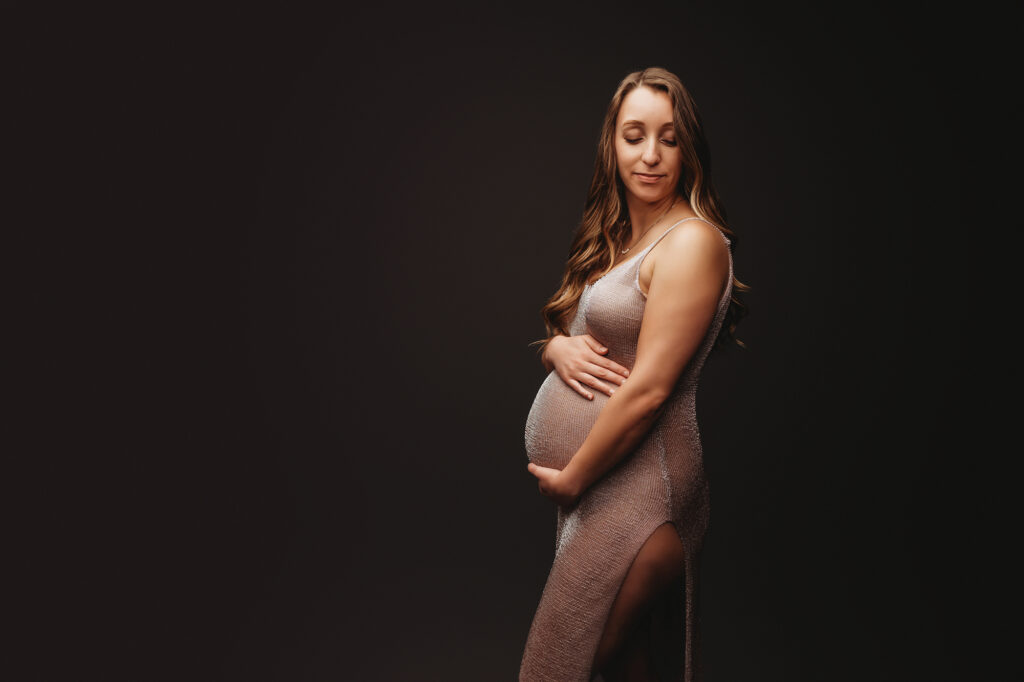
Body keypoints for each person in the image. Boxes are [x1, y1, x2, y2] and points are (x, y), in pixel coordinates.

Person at [520, 67, 748, 682]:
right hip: (602, 485)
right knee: (620, 664)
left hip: (647, 489)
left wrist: (573, 481)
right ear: (611, 145)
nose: (650, 155)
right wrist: (555, 351)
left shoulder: (693, 243)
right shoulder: (621, 237)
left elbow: (649, 390)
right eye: (634, 135)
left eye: (669, 139)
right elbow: (585, 338)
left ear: (688, 149)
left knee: (570, 663)